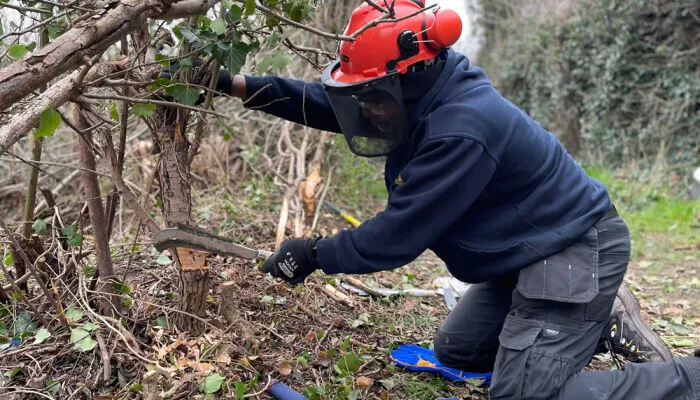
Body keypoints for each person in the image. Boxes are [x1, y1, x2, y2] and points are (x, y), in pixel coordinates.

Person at [196, 1, 700, 398]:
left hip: (575, 249)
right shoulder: (424, 90)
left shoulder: (461, 129)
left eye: (371, 95)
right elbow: (336, 106)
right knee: (457, 350)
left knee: (524, 395)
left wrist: (314, 254)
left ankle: (688, 377)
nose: (365, 108)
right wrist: (233, 84)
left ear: (405, 80)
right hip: (526, 253)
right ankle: (590, 321)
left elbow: (396, 237)